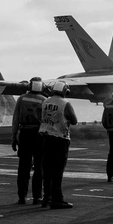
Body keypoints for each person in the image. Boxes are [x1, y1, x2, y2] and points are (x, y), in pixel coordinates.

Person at [38, 81, 77, 209]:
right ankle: (57, 199)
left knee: (47, 170)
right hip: (60, 139)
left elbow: (38, 114)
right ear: (65, 91)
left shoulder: (45, 101)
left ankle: (46, 198)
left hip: (45, 137)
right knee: (58, 171)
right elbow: (75, 121)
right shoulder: (65, 103)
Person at [12, 78, 45, 205]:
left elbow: (15, 119)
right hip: (38, 135)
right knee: (39, 167)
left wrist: (14, 137)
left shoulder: (21, 98)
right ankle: (37, 197)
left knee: (23, 167)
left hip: (24, 134)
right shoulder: (43, 100)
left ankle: (22, 196)